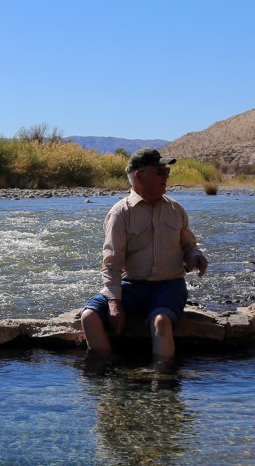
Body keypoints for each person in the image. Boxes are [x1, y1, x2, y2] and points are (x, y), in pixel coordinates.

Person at [80, 148, 207, 366]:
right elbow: (112, 263)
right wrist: (114, 302)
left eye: (166, 170)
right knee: (89, 317)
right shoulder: (120, 213)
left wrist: (195, 257)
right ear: (139, 176)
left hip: (169, 285)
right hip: (132, 286)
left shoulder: (175, 209)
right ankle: (106, 372)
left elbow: (188, 245)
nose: (166, 175)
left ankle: (163, 381)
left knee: (161, 322)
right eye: (159, 171)